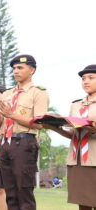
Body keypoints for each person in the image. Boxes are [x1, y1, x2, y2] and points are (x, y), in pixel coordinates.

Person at [0, 54, 49, 210]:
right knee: (10, 193)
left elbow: (40, 124)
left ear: (32, 70)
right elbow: (1, 125)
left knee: (24, 191)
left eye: (20, 68)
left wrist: (11, 114)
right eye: (14, 68)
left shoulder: (38, 92)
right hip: (5, 143)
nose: (15, 71)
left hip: (24, 143)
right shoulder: (8, 94)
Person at [43, 65, 96, 210]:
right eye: (83, 79)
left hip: (94, 158)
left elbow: (91, 130)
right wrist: (55, 127)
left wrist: (93, 130)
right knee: (82, 201)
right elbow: (74, 134)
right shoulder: (76, 105)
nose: (86, 81)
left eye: (91, 78)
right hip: (78, 158)